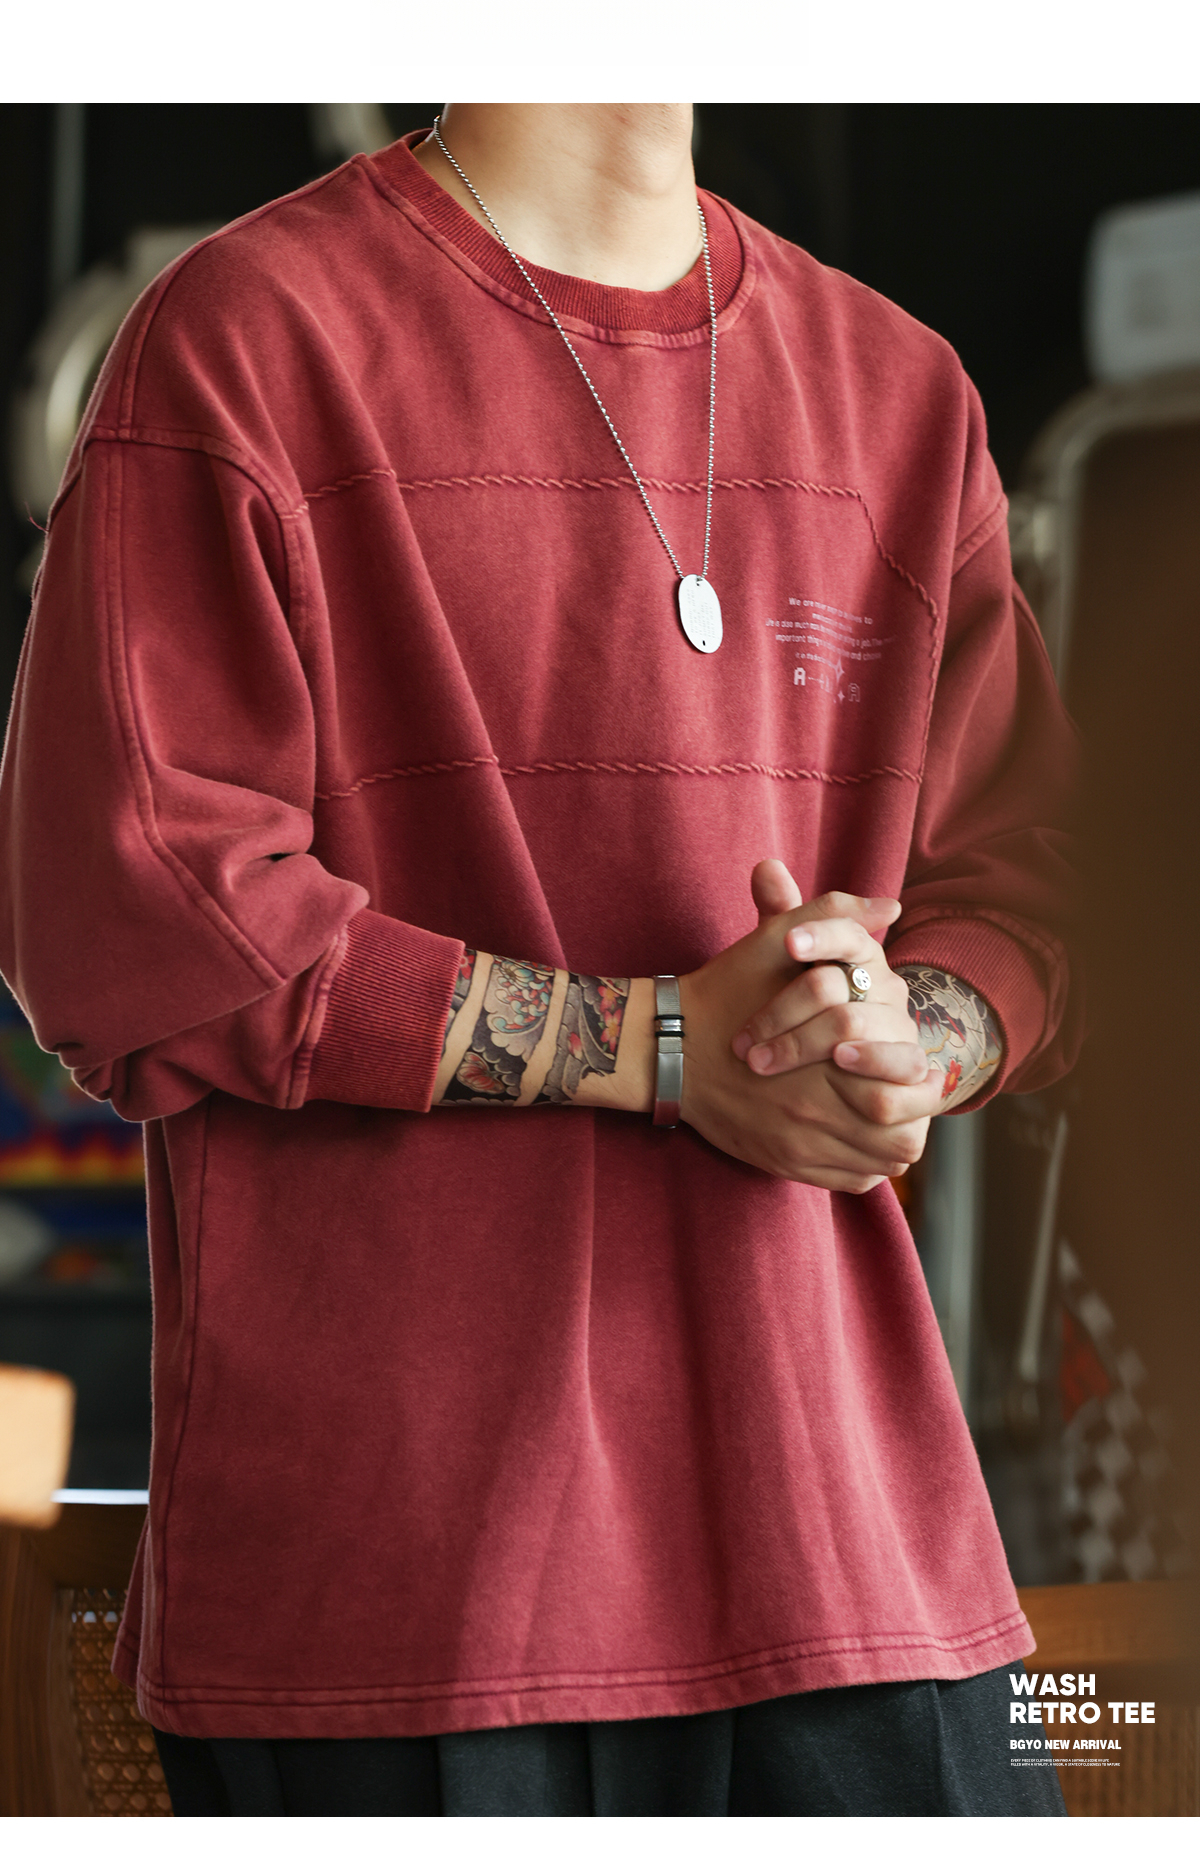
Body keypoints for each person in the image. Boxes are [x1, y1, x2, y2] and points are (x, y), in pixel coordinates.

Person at [0, 104, 1079, 1815]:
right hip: (412, 1598)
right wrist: (670, 1046)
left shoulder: (903, 390)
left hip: (861, 1566)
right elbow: (131, 921)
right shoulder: (243, 338)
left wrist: (911, 1044)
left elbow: (1035, 891)